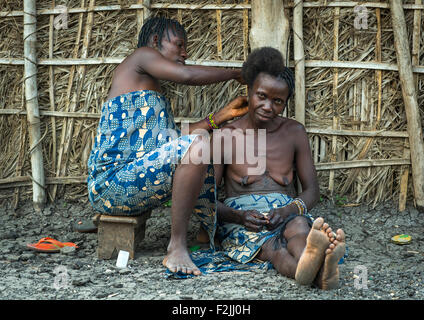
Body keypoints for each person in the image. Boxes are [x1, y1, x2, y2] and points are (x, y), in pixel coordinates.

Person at [86, 17, 248, 275]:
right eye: (179, 45)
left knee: (199, 144)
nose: (185, 53)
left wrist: (220, 117)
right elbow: (186, 75)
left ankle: (204, 233)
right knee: (198, 144)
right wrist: (235, 74)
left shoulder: (150, 93)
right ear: (154, 42)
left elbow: (170, 143)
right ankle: (177, 247)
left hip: (131, 182)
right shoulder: (141, 57)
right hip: (112, 184)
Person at [212, 47, 346, 289]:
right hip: (243, 219)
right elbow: (207, 199)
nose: (267, 106)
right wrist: (239, 217)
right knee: (273, 248)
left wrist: (288, 210)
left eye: (277, 101)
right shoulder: (226, 136)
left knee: (299, 229)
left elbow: (312, 190)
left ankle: (314, 258)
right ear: (249, 91)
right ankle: (319, 274)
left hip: (286, 211)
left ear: (285, 103)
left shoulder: (294, 133)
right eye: (261, 96)